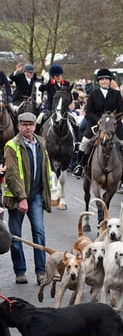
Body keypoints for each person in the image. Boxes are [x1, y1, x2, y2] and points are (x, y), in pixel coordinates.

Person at [3, 112, 53, 285]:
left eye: (30, 124)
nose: (27, 127)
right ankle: (20, 271)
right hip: (17, 198)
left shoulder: (41, 142)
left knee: (39, 233)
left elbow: (45, 169)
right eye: (24, 124)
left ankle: (41, 272)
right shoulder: (12, 145)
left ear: (34, 126)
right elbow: (11, 174)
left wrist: (47, 193)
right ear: (18, 126)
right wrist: (22, 198)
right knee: (16, 236)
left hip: (36, 196)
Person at [72, 69, 123, 185]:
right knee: (84, 143)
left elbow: (121, 111)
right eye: (102, 79)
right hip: (96, 124)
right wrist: (98, 120)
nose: (104, 81)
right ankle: (80, 166)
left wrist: (114, 121)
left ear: (109, 81)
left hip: (113, 125)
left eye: (106, 79)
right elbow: (88, 112)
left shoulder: (116, 94)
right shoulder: (93, 94)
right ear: (99, 81)